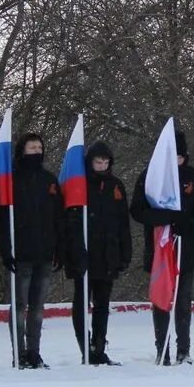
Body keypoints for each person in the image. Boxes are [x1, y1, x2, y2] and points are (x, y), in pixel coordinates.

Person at [131, 130, 194, 365]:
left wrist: (189, 224)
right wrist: (164, 217)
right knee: (161, 299)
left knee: (183, 301)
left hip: (185, 247)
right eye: (172, 157)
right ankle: (162, 349)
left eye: (180, 157)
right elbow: (137, 210)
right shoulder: (150, 176)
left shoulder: (193, 177)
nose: (176, 162)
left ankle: (183, 350)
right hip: (159, 248)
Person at [0, 132, 65, 369]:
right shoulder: (11, 180)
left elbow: (59, 217)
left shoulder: (50, 180)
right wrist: (6, 250)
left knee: (37, 308)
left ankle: (34, 352)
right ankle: (20, 353)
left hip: (45, 253)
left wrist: (60, 249)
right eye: (31, 147)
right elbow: (2, 219)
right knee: (19, 306)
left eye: (39, 147)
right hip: (20, 254)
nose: (36, 151)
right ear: (22, 150)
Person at [63, 141, 132, 365]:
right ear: (90, 162)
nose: (101, 165)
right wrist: (72, 251)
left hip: (108, 253)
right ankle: (85, 347)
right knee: (81, 302)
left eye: (105, 162)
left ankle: (99, 346)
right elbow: (69, 221)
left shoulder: (116, 186)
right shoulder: (79, 184)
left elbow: (123, 222)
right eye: (97, 161)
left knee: (103, 303)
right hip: (83, 253)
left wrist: (124, 253)